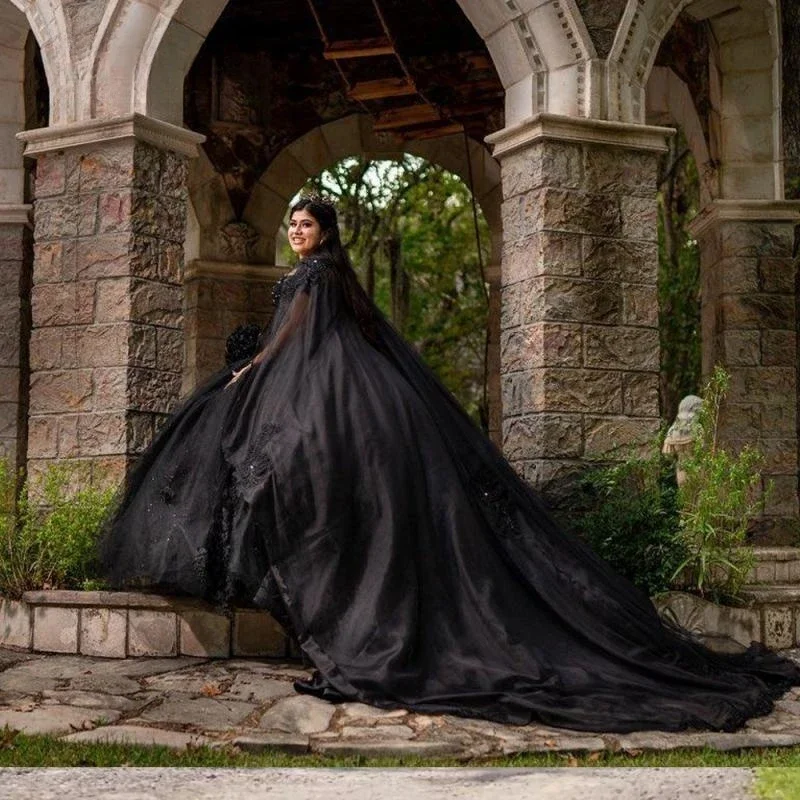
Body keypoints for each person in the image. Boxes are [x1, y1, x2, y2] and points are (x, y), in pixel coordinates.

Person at [102, 194, 800, 734]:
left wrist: (246, 374)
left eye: (306, 225)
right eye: (292, 224)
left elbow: (291, 342)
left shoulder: (313, 279)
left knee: (250, 452)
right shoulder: (327, 276)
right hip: (332, 382)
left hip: (318, 385)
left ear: (326, 233)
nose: (296, 232)